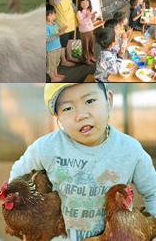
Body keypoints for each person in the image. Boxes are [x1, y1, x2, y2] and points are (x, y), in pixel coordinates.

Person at [9, 83, 156, 241]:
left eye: (90, 101)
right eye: (67, 108)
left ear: (109, 100)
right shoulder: (45, 147)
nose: (81, 115)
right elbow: (17, 180)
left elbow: (153, 192)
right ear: (58, 117)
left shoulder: (130, 150)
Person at [47, 0, 79, 66]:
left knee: (70, 39)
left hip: (70, 16)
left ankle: (70, 56)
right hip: (61, 17)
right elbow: (55, 2)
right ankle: (64, 61)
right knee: (62, 41)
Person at [46, 4, 66, 82]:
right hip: (50, 49)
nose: (53, 16)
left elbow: (57, 32)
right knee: (51, 64)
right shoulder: (45, 27)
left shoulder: (54, 23)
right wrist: (57, 34)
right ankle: (53, 78)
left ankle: (56, 74)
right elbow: (46, 39)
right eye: (50, 15)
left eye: (53, 14)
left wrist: (61, 30)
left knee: (56, 62)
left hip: (57, 46)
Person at [76, 0, 97, 65]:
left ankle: (91, 56)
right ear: (79, 4)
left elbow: (91, 21)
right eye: (82, 2)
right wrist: (89, 16)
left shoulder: (88, 10)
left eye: (86, 2)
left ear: (89, 3)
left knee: (91, 45)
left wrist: (93, 17)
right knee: (85, 47)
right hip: (84, 32)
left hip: (90, 31)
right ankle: (86, 59)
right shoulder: (79, 13)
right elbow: (82, 22)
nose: (85, 4)